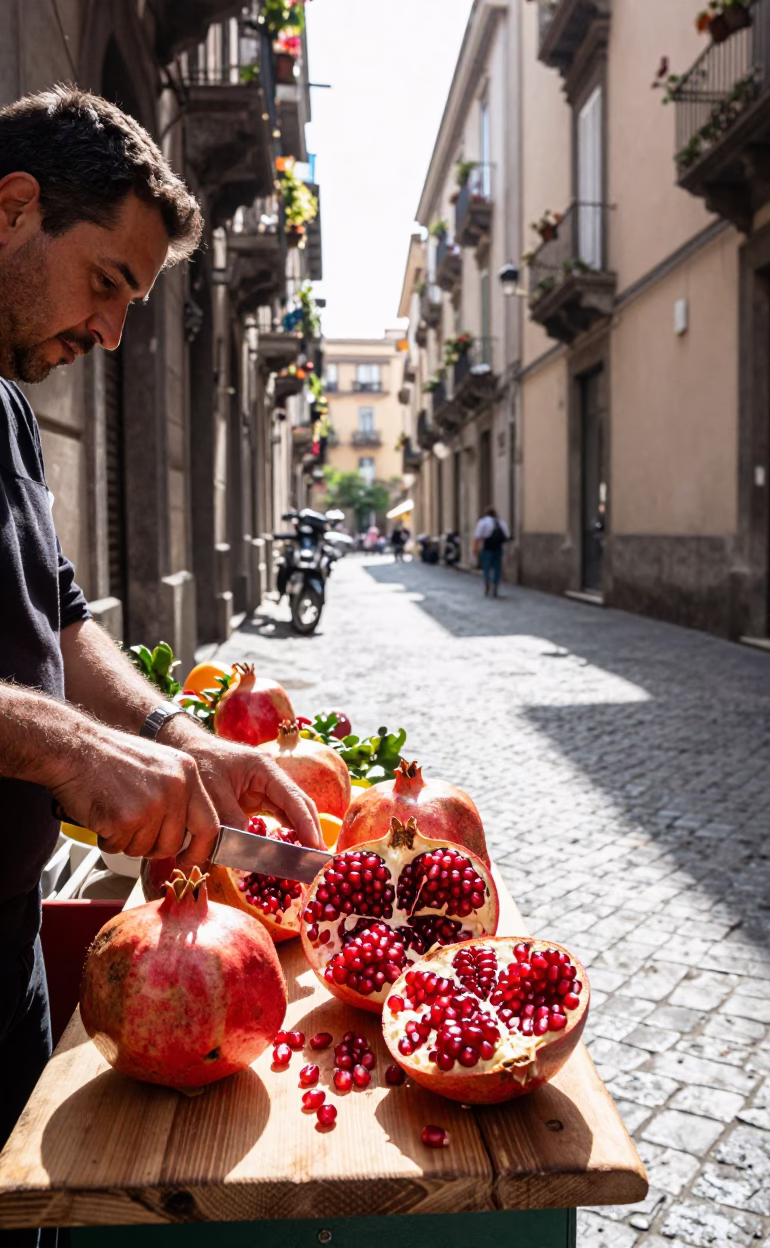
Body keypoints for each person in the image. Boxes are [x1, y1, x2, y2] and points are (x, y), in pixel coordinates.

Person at [0, 87, 323, 1170]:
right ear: (12, 209)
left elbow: (62, 613)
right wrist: (67, 750)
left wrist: (178, 735)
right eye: (105, 283)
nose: (111, 330)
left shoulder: (5, 405)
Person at [473, 506, 510, 597]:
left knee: (487, 567)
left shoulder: (483, 522)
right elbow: (507, 536)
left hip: (487, 548)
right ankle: (495, 585)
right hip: (498, 548)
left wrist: (475, 548)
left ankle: (487, 583)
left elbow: (477, 537)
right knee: (497, 567)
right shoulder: (501, 523)